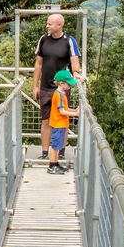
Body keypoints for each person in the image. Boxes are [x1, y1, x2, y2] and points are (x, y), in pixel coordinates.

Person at [32, 12, 82, 158]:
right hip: (45, 87)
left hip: (61, 88)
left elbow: (74, 61)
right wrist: (35, 85)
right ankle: (45, 152)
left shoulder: (69, 41)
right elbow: (38, 63)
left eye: (49, 23)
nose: (47, 26)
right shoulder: (43, 39)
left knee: (62, 120)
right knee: (46, 120)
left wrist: (77, 73)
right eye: (47, 23)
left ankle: (60, 152)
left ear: (59, 25)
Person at [46, 69, 78, 174]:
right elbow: (62, 111)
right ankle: (51, 166)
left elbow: (66, 108)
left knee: (58, 146)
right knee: (55, 146)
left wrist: (75, 110)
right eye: (68, 83)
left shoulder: (62, 94)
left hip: (62, 124)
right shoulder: (58, 95)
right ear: (61, 83)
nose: (69, 86)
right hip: (58, 124)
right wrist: (76, 114)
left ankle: (55, 164)